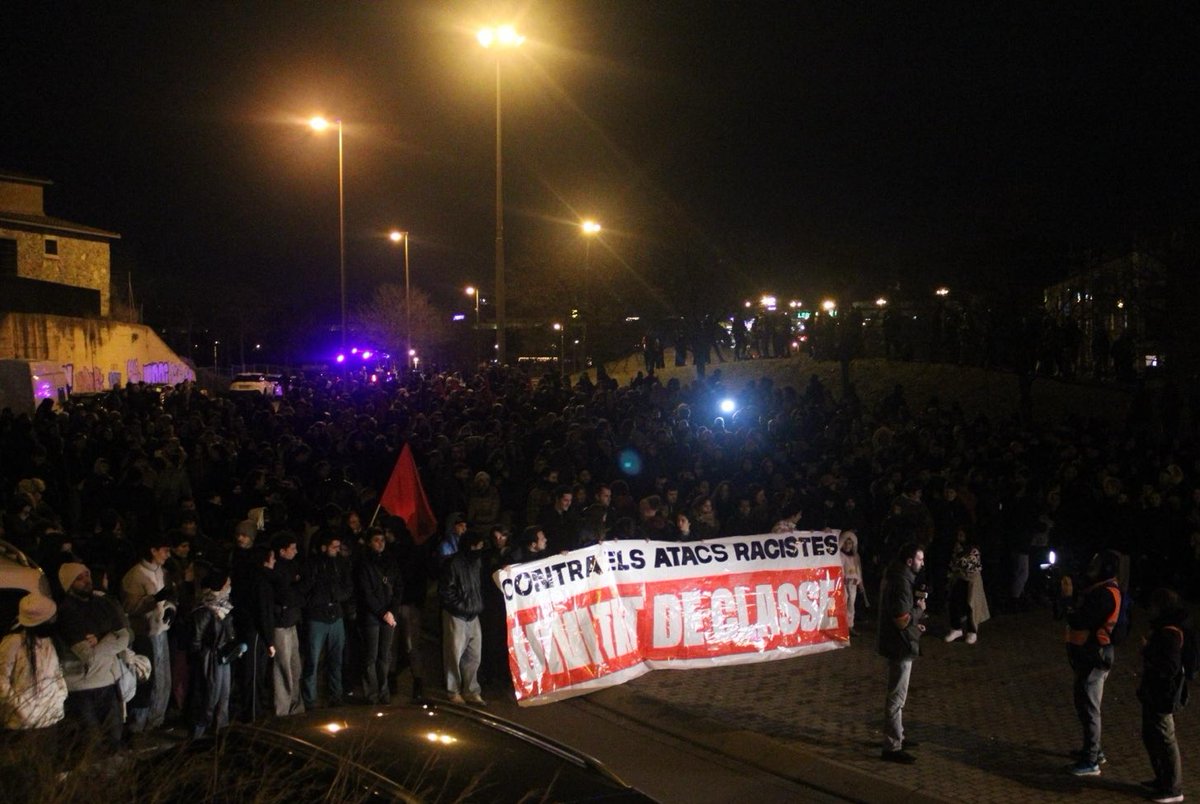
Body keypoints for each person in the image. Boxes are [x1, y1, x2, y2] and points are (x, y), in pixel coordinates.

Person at [55, 562, 130, 753]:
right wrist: (109, 635)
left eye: (87, 575)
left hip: (108, 681)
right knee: (90, 745)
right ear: (68, 584)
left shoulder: (103, 603)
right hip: (82, 687)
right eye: (79, 578)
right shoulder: (66, 611)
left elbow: (125, 636)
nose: (86, 581)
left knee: (114, 738)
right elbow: (86, 654)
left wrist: (100, 638)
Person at [1065, 549, 1121, 776]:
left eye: (1097, 564)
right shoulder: (1104, 589)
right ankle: (1093, 751)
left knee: (1090, 707)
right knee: (1085, 703)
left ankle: (1091, 760)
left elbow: (1080, 620)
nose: (1092, 567)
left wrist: (1067, 599)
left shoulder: (1104, 594)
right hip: (1092, 653)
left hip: (1095, 654)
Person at [1136, 587, 1193, 803]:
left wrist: (1148, 650)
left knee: (1165, 738)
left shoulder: (1169, 633)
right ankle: (1163, 779)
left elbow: (1168, 666)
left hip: (1162, 694)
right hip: (1155, 692)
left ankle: (1173, 788)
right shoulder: (1170, 628)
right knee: (1151, 735)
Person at [120, 535, 177, 733]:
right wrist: (153, 599)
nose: (168, 555)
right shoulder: (135, 575)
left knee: (163, 677)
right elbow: (130, 607)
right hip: (144, 633)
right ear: (153, 550)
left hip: (161, 631)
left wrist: (170, 607)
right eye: (165, 550)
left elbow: (168, 598)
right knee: (149, 678)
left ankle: (156, 720)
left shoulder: (162, 571)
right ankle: (140, 725)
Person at [876, 542, 925, 764]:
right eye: (919, 559)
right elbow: (901, 619)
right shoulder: (901, 583)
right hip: (900, 645)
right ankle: (892, 746)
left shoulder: (898, 577)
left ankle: (899, 736)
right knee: (897, 697)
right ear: (909, 561)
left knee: (897, 695)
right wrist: (918, 612)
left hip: (898, 642)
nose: (922, 563)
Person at [0, 593, 68, 732]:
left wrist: (60, 695)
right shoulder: (13, 643)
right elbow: (1, 679)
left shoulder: (47, 641)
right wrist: (22, 706)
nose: (54, 621)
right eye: (50, 618)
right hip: (23, 724)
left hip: (50, 717)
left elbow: (56, 672)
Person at [299, 533, 352, 709]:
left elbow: (348, 587)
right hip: (317, 618)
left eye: (338, 547)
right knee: (313, 660)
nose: (337, 550)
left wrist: (337, 595)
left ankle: (335, 694)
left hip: (336, 616)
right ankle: (310, 699)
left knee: (336, 658)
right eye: (333, 547)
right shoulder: (312, 565)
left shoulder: (340, 564)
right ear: (323, 547)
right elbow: (306, 590)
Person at [187, 567, 236, 738]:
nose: (230, 587)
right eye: (227, 584)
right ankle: (197, 735)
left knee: (223, 697)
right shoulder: (204, 611)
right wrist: (202, 659)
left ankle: (220, 733)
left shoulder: (223, 607)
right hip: (210, 658)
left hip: (223, 656)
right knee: (208, 697)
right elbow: (196, 640)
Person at [355, 528, 402, 705]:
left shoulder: (391, 562)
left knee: (385, 656)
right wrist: (383, 613)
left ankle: (384, 693)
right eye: (376, 540)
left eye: (382, 540)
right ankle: (371, 694)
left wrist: (392, 611)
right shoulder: (364, 564)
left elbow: (398, 587)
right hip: (372, 617)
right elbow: (366, 593)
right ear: (369, 543)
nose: (380, 543)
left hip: (388, 615)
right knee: (371, 656)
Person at [439, 531, 486, 705]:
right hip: (457, 615)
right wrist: (463, 607)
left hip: (472, 615)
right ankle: (453, 691)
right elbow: (446, 592)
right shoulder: (452, 564)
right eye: (478, 546)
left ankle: (471, 690)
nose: (480, 549)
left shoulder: (476, 562)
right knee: (454, 655)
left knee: (474, 655)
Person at [268, 531, 305, 716]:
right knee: (283, 667)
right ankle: (282, 710)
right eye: (293, 548)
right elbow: (285, 595)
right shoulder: (276, 570)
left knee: (295, 666)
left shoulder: (293, 567)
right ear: (282, 551)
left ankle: (296, 706)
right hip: (281, 624)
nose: (296, 551)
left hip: (291, 621)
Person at [943, 532, 989, 644]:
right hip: (958, 578)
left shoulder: (974, 550)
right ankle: (956, 628)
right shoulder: (957, 547)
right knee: (954, 602)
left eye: (962, 535)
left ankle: (972, 631)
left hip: (971, 581)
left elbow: (973, 567)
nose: (959, 537)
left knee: (971, 605)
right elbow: (953, 563)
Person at [839, 530, 866, 636]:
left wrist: (860, 583)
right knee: (843, 604)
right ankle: (842, 627)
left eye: (850, 543)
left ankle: (850, 626)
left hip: (853, 585)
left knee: (851, 606)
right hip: (843, 584)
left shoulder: (856, 556)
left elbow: (858, 570)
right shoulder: (840, 555)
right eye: (845, 542)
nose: (847, 545)